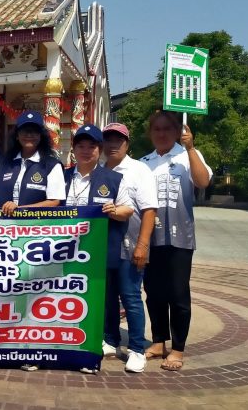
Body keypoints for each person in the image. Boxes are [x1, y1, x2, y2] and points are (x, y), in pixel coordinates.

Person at [139, 111, 212, 372]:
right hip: (150, 238)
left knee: (178, 294)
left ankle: (178, 348)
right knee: (154, 293)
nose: (161, 134)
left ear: (177, 131)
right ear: (150, 133)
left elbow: (203, 182)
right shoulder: (143, 163)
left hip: (180, 237)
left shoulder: (187, 155)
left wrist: (190, 148)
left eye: (167, 129)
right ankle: (159, 341)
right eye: (156, 129)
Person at [62, 124, 133, 374]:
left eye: (91, 146)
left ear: (99, 150)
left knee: (103, 296)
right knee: (67, 294)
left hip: (99, 249)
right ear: (73, 149)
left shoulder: (113, 179)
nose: (85, 150)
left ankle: (107, 338)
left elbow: (127, 209)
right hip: (64, 251)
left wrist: (114, 211)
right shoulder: (62, 176)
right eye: (80, 146)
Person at [102, 122, 159, 373]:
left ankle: (136, 349)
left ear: (127, 143)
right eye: (108, 140)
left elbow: (149, 210)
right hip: (104, 245)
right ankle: (111, 340)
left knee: (131, 297)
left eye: (119, 140)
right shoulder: (99, 169)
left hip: (130, 245)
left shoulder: (139, 169)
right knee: (108, 297)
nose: (113, 144)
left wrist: (142, 246)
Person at [0, 111, 65, 215]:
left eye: (34, 131)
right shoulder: (4, 162)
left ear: (41, 135)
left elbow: (55, 201)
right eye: (25, 131)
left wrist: (20, 210)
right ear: (17, 135)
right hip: (5, 224)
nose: (29, 135)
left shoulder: (52, 165)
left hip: (36, 224)